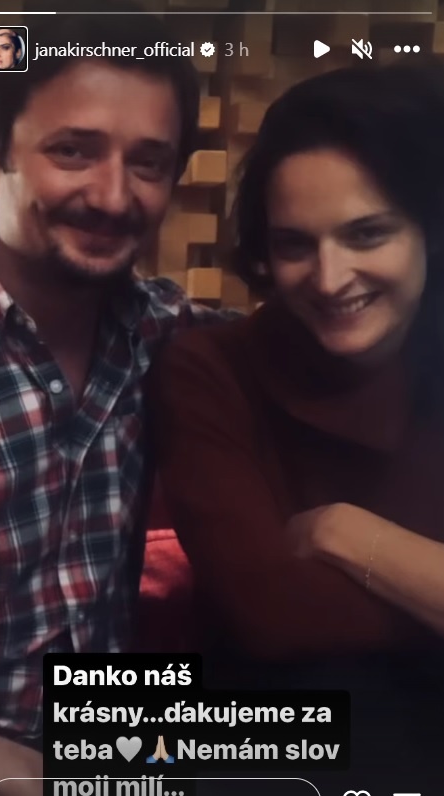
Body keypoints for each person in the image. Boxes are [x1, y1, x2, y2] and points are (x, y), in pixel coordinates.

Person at [150, 61, 444, 791]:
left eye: (367, 234)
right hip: (273, 739)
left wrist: (348, 534)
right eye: (294, 245)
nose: (329, 276)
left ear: (428, 231)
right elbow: (271, 615)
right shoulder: (211, 368)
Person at [0, 9, 235, 795]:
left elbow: (317, 332)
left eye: (148, 163)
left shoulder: (165, 332)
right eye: (73, 151)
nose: (114, 197)